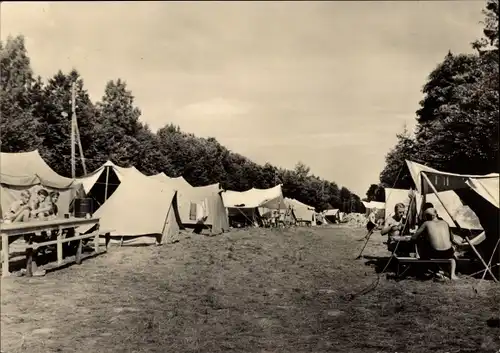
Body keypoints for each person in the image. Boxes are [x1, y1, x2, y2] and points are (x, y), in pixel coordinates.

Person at [411, 207, 460, 280]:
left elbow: (414, 237)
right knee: (452, 257)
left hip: (435, 252)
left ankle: (432, 269)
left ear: (427, 216)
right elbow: (452, 238)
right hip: (448, 252)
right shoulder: (445, 223)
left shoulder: (426, 223)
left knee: (422, 242)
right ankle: (452, 275)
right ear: (436, 214)